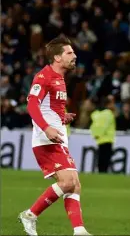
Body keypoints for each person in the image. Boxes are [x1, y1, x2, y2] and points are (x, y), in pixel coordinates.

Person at [18, 36, 91, 236]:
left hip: (57, 137)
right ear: (57, 57)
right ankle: (30, 214)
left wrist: (61, 117)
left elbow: (48, 107)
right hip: (46, 139)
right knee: (68, 182)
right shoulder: (44, 77)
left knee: (74, 184)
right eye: (69, 53)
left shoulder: (59, 79)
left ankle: (79, 230)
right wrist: (47, 128)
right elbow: (32, 104)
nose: (74, 56)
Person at [89, 96, 116, 173]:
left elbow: (93, 125)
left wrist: (96, 134)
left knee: (100, 157)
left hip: (99, 139)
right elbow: (105, 125)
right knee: (106, 159)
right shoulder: (109, 113)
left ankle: (100, 172)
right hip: (108, 139)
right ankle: (103, 172)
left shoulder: (95, 114)